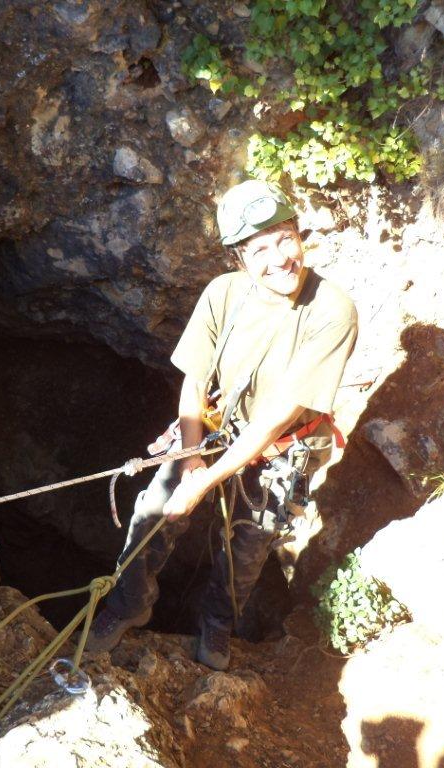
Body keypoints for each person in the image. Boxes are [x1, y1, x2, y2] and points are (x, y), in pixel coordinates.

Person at [86, 179, 358, 670]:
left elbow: (280, 416)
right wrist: (192, 462)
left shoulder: (331, 311)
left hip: (280, 447)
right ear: (239, 259)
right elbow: (194, 383)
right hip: (215, 429)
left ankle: (217, 623)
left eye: (284, 240)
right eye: (259, 250)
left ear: (299, 235)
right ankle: (128, 604)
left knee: (250, 542)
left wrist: (208, 480)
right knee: (153, 509)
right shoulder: (224, 294)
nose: (278, 259)